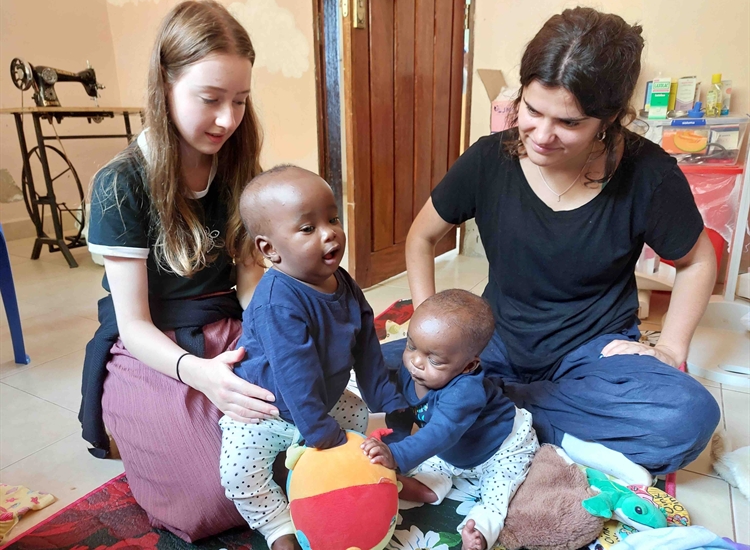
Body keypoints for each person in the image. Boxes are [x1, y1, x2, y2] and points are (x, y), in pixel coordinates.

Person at [385, 6, 720, 486]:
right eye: (532, 110)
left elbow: (697, 260)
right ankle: (530, 423)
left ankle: (493, 412)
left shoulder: (649, 173)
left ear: (608, 119)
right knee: (371, 363)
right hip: (492, 343)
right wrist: (431, 331)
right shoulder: (488, 159)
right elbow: (422, 236)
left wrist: (669, 347)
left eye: (569, 122)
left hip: (592, 354)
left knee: (687, 418)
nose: (541, 135)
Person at [80, 1, 292, 541]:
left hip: (224, 323)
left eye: (239, 101)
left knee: (313, 431)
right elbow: (133, 324)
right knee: (212, 499)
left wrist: (278, 339)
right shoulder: (120, 183)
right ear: (165, 85)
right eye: (210, 99)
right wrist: (202, 375)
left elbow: (250, 283)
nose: (227, 119)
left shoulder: (240, 168)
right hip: (151, 344)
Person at [219, 165, 408, 550]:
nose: (329, 233)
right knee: (237, 474)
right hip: (266, 409)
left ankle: (370, 482)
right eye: (308, 228)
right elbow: (294, 377)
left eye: (332, 219)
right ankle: (277, 526)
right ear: (269, 249)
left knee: (359, 419)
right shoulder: (276, 303)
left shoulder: (345, 284)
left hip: (323, 397)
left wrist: (391, 406)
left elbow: (367, 351)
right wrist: (324, 436)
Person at [362, 289, 539, 550]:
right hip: (453, 450)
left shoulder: (466, 391)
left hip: (502, 448)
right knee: (427, 467)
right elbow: (401, 411)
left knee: (498, 494)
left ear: (468, 366)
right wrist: (393, 445)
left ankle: (479, 533)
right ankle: (416, 488)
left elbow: (440, 432)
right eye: (411, 346)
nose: (416, 362)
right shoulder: (412, 371)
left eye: (434, 360)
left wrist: (397, 454)